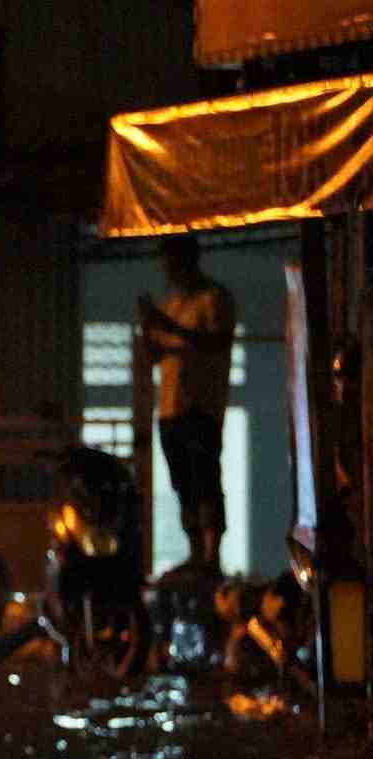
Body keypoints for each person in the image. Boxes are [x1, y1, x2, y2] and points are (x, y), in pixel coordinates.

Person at [139, 232, 235, 573]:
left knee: (205, 478)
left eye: (172, 263)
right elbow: (158, 355)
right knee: (183, 484)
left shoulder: (214, 299)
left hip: (201, 407)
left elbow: (216, 342)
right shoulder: (172, 304)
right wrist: (149, 329)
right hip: (170, 408)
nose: (168, 271)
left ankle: (211, 555)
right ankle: (195, 553)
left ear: (189, 260)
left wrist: (167, 325)